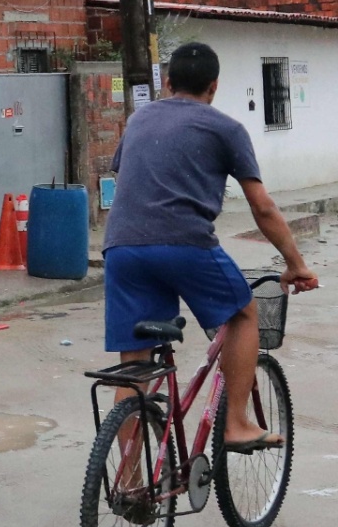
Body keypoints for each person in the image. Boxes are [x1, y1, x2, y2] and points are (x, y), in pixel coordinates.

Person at [105, 41, 318, 450]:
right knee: (243, 313)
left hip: (121, 247)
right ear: (214, 87)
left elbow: (128, 175)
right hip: (184, 243)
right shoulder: (226, 128)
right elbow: (263, 206)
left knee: (134, 367)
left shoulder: (138, 120)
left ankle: (129, 482)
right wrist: (296, 264)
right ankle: (235, 423)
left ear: (167, 82)